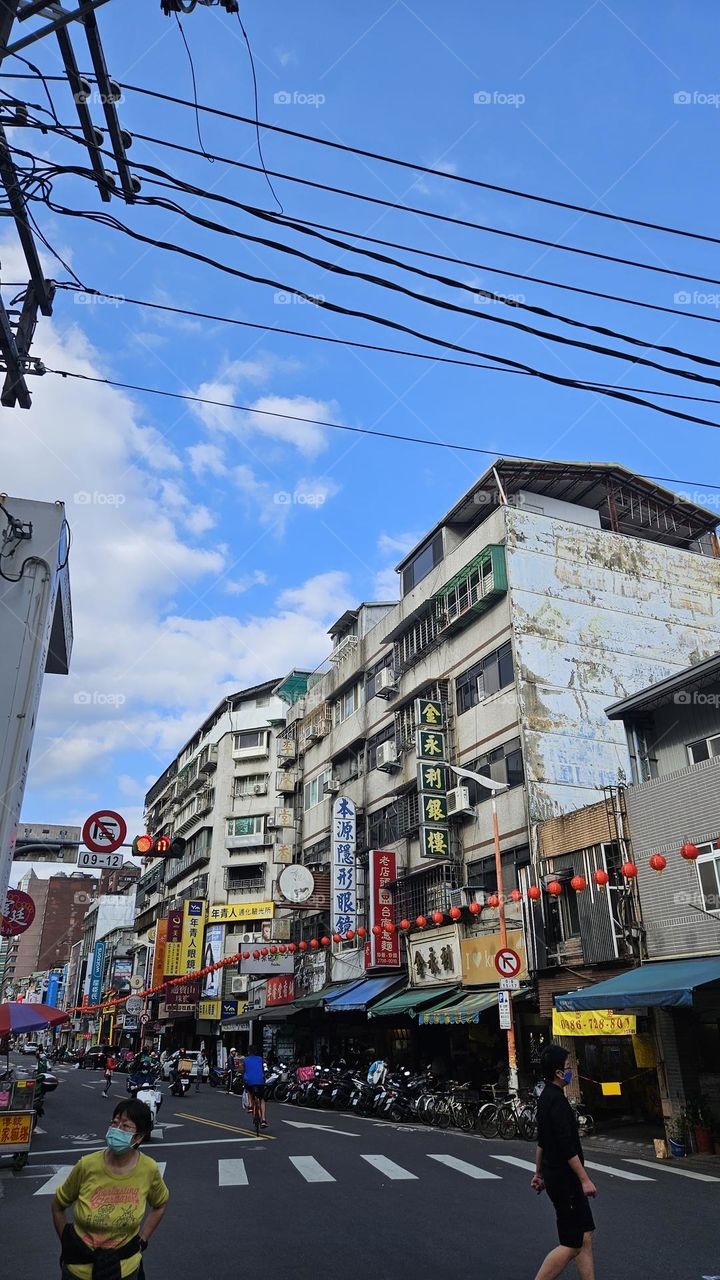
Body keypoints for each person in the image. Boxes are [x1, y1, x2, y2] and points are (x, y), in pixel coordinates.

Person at [51, 1098, 169, 1280]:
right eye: (115, 1123)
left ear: (138, 1137)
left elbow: (160, 1204)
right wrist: (68, 1242)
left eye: (125, 1126)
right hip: (79, 1269)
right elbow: (58, 1205)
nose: (117, 1129)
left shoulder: (149, 1168)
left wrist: (143, 1238)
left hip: (125, 1269)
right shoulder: (87, 1164)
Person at [530, 1044, 597, 1280]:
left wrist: (538, 1173)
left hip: (556, 1175)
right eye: (568, 1067)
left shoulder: (546, 1097)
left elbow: (542, 1141)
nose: (571, 1071)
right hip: (565, 1180)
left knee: (585, 1235)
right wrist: (585, 1179)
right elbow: (566, 1147)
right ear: (559, 1073)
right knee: (572, 1244)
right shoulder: (556, 1101)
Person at [242, 1053, 267, 1127]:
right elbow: (262, 1070)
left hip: (249, 1081)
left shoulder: (245, 1059)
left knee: (249, 1090)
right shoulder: (260, 1059)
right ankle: (263, 1120)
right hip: (260, 1081)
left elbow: (244, 1070)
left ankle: (250, 1105)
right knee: (262, 1099)